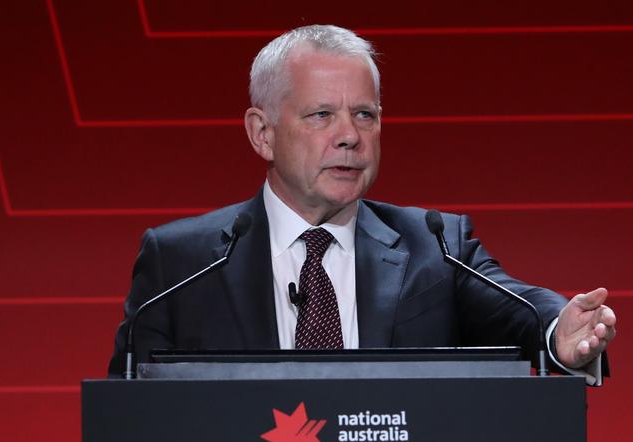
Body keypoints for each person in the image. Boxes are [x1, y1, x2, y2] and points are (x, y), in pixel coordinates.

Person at [108, 25, 616, 383]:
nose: (349, 136)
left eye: (365, 115)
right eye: (322, 114)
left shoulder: (435, 246)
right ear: (262, 133)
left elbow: (522, 309)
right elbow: (132, 425)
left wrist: (557, 332)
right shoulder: (180, 263)